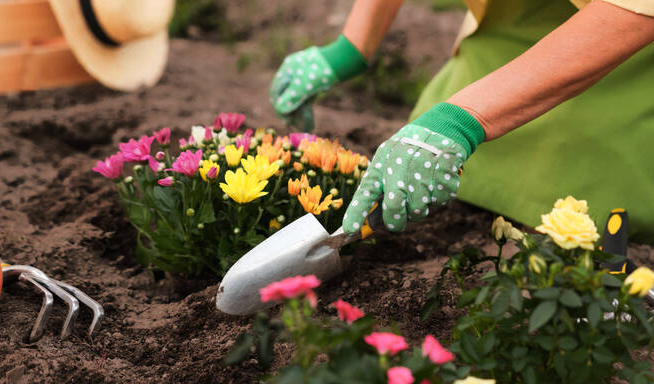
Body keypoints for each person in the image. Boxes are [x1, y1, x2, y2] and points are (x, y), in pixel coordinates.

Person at [269, 0, 654, 241]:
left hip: (623, 65)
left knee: (578, 219)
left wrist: (464, 120)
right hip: (503, 40)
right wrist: (350, 48)